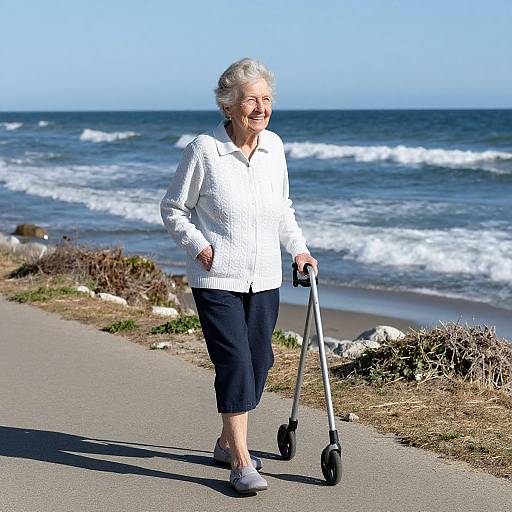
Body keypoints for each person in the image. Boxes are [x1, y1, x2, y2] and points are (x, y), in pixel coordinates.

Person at [160, 57, 318, 494]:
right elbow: (173, 208)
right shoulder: (204, 150)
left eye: (267, 100)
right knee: (234, 362)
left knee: (260, 361)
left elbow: (283, 209)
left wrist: (299, 249)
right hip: (217, 278)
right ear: (228, 105)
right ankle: (242, 463)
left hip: (266, 277)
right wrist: (198, 246)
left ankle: (226, 442)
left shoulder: (275, 148)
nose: (261, 108)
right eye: (252, 100)